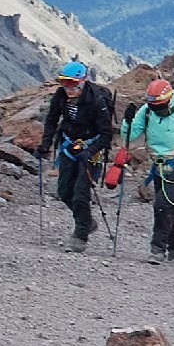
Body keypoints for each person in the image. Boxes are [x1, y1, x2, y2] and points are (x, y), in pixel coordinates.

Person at [109, 77, 174, 265]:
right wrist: (127, 121)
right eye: (153, 105)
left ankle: (157, 249)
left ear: (170, 99)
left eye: (160, 105)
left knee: (162, 205)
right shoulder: (147, 111)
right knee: (168, 208)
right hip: (158, 167)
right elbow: (129, 136)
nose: (156, 109)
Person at [38, 61, 114, 252]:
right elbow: (52, 119)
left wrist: (89, 150)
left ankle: (80, 236)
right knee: (64, 191)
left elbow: (106, 134)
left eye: (73, 84)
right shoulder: (60, 96)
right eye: (64, 83)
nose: (68, 88)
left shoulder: (97, 101)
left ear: (82, 81)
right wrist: (45, 144)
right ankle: (87, 221)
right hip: (69, 146)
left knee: (81, 193)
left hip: (91, 149)